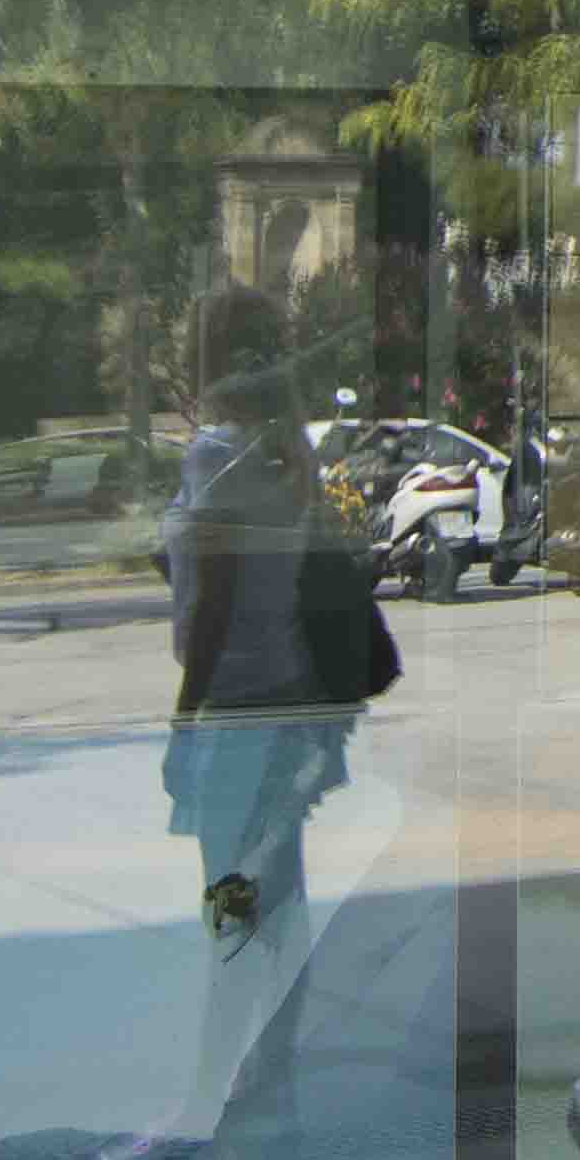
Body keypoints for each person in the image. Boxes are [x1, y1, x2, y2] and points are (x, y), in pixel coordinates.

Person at [156, 288, 395, 1115]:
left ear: (212, 361)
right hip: (289, 704)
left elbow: (215, 603)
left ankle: (214, 1093)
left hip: (234, 712)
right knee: (279, 906)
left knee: (232, 908)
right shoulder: (286, 454)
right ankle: (273, 1077)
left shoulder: (214, 457)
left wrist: (184, 720)